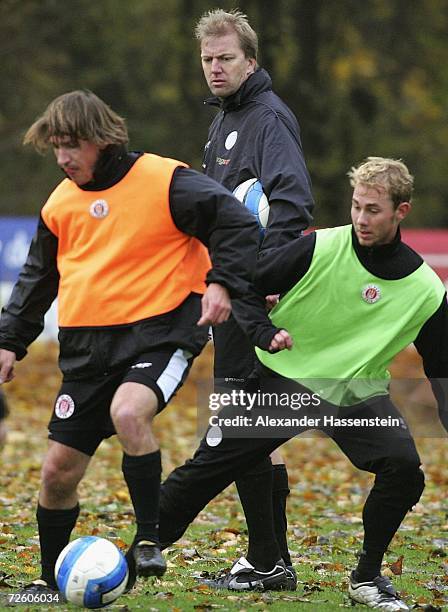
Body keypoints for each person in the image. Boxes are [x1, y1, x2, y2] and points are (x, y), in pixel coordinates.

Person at [0, 89, 292, 597]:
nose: (64, 158)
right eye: (56, 148)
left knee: (130, 412)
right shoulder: (59, 204)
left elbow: (238, 223)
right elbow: (35, 280)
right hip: (88, 352)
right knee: (56, 473)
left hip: (161, 335)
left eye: (72, 145)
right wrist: (9, 341)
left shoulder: (165, 180)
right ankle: (48, 581)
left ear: (101, 139)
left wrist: (221, 281)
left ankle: (149, 541)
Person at [157, 157, 448, 610]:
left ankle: (367, 578)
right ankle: (141, 548)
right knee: (204, 471)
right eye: (356, 206)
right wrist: (262, 332)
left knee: (404, 470)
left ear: (401, 212)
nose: (361, 218)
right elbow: (247, 286)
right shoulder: (322, 247)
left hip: (354, 391)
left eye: (373, 209)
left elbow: (443, 365)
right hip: (284, 379)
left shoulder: (426, 289)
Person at [195, 8, 314, 589]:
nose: (215, 69)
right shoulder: (223, 121)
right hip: (232, 294)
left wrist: (268, 281)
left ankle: (269, 559)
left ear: (251, 61)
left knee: (241, 421)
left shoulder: (267, 118)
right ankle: (271, 559)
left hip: (254, 298)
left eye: (226, 59)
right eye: (208, 60)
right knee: (251, 423)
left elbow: (292, 206)